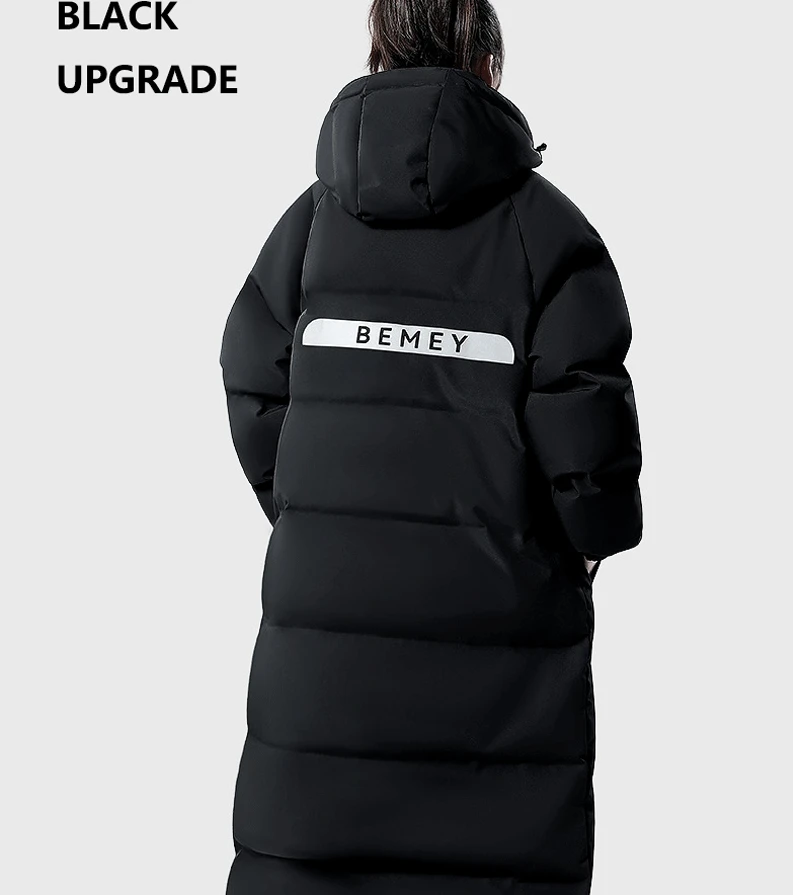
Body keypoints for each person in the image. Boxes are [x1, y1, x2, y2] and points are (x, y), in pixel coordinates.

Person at [220, 1, 643, 892]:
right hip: (499, 670)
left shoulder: (308, 228)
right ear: (488, 62)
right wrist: (584, 542)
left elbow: (251, 378)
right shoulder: (547, 235)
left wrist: (316, 513)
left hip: (323, 685)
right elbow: (590, 453)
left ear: (378, 51)